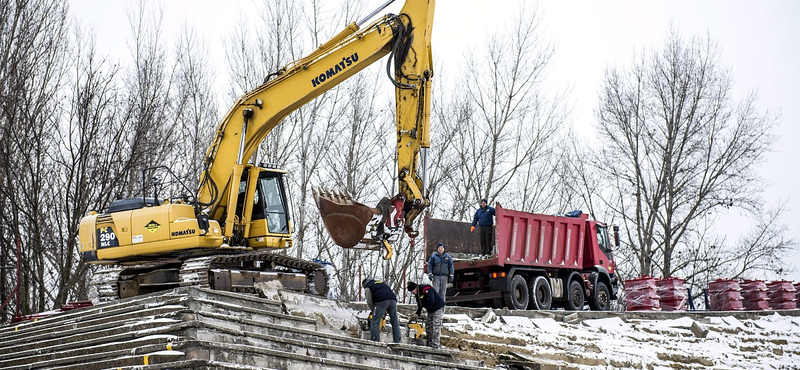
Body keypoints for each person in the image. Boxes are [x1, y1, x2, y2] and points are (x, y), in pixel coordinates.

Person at [407, 280, 446, 348]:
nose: (412, 293)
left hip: (438, 307)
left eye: (412, 291)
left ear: (415, 288)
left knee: (435, 326)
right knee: (428, 325)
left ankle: (435, 344)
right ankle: (429, 343)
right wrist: (418, 313)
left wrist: (425, 308)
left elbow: (431, 300)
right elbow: (420, 305)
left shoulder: (426, 289)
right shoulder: (417, 295)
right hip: (430, 310)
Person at [362, 278, 401, 343]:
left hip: (381, 301)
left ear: (364, 284)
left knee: (375, 322)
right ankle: (397, 341)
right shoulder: (380, 283)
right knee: (395, 322)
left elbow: (369, 300)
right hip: (393, 300)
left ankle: (375, 340)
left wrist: (373, 309)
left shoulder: (368, 287)